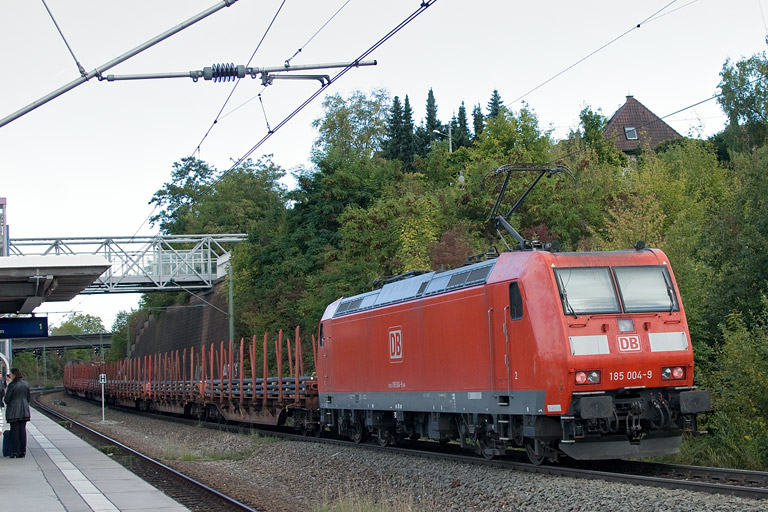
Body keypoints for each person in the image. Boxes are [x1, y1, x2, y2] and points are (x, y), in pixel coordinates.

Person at [4, 368, 31, 458]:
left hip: (14, 411)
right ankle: (22, 451)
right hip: (24, 410)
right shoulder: (25, 384)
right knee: (22, 431)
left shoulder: (12, 385)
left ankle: (15, 451)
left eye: (11, 374)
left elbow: (7, 399)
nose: (10, 376)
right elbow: (28, 397)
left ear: (14, 374)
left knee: (14, 432)